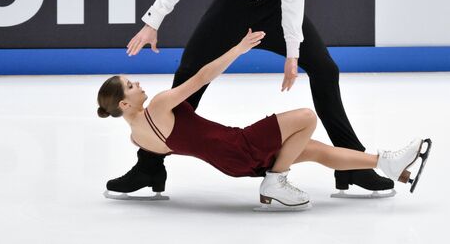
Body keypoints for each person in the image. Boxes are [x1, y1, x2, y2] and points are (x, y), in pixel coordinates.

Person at [108, 0, 393, 198]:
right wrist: (153, 20)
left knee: (325, 70)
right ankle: (149, 167)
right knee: (188, 75)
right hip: (230, 8)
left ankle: (353, 165)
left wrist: (293, 52)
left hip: (275, 8)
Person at [98, 30, 431, 210]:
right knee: (306, 117)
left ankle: (384, 162)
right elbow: (200, 77)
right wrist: (238, 49)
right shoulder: (158, 105)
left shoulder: (137, 138)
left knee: (314, 149)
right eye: (130, 85)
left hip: (231, 162)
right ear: (125, 102)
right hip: (239, 144)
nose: (138, 83)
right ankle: (276, 180)